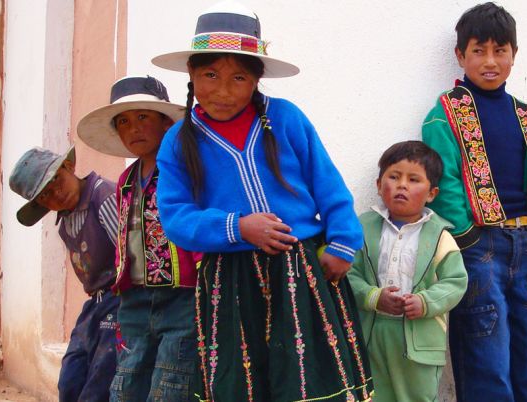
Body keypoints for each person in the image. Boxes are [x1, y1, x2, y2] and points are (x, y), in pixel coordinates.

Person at [151, 3, 372, 401]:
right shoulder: (179, 141)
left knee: (306, 376)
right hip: (229, 278)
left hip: (300, 271)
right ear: (191, 74)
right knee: (243, 379)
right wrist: (236, 227)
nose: (222, 90)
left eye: (238, 77)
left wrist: (343, 242)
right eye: (210, 75)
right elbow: (176, 218)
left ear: (256, 79)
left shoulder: (286, 119)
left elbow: (329, 186)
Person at [421, 2, 527, 400]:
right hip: (478, 246)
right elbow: (444, 179)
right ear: (460, 56)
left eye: (500, 51)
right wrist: (465, 236)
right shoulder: (446, 112)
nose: (489, 61)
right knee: (486, 350)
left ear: (513, 55)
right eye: (478, 50)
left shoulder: (526, 115)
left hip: (525, 246)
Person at [77, 75, 202, 400]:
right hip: (135, 301)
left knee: (172, 383)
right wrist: (121, 285)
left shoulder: (185, 169)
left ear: (165, 123)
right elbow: (123, 237)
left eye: (143, 117)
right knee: (127, 381)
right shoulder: (125, 180)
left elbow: (197, 223)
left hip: (181, 298)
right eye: (124, 121)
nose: (134, 128)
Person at [347, 141, 467, 402]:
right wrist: (372, 296)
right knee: (373, 395)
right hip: (371, 337)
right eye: (394, 177)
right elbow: (348, 275)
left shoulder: (440, 236)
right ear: (379, 185)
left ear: (432, 193)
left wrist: (425, 302)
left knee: (417, 397)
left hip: (420, 341)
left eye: (414, 180)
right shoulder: (361, 229)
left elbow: (456, 282)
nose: (402, 185)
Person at [9, 146, 118, 401]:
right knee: (70, 378)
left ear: (68, 167)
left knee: (99, 381)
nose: (55, 194)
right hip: (95, 303)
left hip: (120, 297)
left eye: (55, 180)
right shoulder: (65, 223)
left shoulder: (103, 196)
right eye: (45, 195)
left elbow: (131, 255)